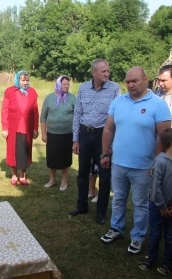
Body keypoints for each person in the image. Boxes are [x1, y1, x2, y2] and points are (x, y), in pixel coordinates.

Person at [100, 66, 171, 255]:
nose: (130, 85)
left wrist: (156, 164)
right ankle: (116, 228)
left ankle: (138, 237)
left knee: (140, 203)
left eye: (135, 81)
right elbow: (108, 129)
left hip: (144, 166)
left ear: (146, 80)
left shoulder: (158, 104)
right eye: (128, 81)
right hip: (119, 163)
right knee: (118, 199)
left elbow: (163, 137)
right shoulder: (118, 102)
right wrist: (105, 154)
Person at [67, 59, 120, 225]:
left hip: (103, 136)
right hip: (84, 133)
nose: (107, 73)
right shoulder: (83, 88)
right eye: (103, 71)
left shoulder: (114, 88)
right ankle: (81, 205)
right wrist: (75, 139)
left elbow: (116, 117)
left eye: (107, 71)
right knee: (82, 172)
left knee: (104, 175)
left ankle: (101, 212)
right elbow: (77, 114)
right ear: (94, 73)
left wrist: (111, 144)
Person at [139, 128, 172, 275]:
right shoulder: (160, 161)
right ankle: (150, 258)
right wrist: (162, 207)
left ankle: (168, 263)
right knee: (155, 234)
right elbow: (156, 187)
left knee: (170, 237)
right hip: (157, 206)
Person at [1, 70, 39, 186]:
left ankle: (22, 175)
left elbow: (35, 112)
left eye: (27, 80)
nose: (25, 82)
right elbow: (4, 110)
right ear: (17, 80)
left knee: (25, 153)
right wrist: (5, 128)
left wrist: (35, 128)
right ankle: (14, 174)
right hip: (13, 127)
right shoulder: (10, 91)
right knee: (13, 151)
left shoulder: (32, 92)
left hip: (27, 127)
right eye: (22, 80)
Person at [40, 75, 76, 191]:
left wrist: (76, 135)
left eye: (67, 84)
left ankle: (64, 181)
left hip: (68, 134)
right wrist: (44, 133)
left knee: (66, 158)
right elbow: (43, 117)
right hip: (52, 134)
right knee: (52, 158)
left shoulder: (72, 98)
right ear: (58, 85)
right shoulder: (49, 98)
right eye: (64, 84)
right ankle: (52, 179)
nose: (66, 86)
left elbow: (77, 116)